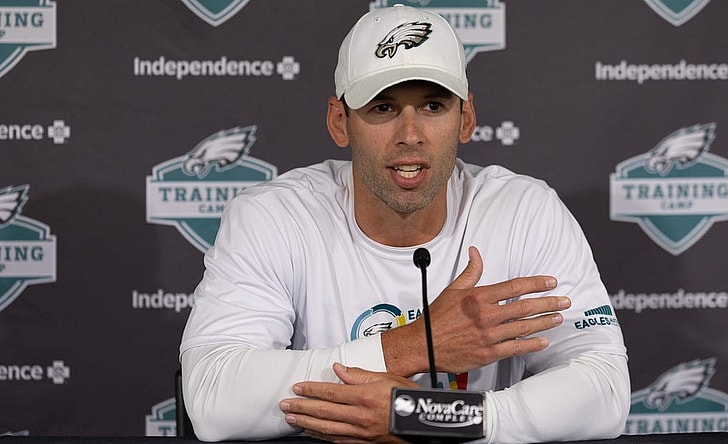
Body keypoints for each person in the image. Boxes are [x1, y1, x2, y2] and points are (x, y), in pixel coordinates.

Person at [179, 4, 630, 443]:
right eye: (383, 108)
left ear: (466, 119)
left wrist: (425, 418)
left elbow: (604, 387)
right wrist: (413, 346)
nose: (410, 134)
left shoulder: (524, 211)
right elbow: (213, 399)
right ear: (340, 122)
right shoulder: (273, 216)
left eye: (433, 106)